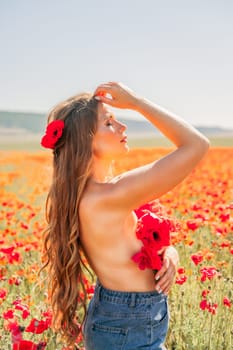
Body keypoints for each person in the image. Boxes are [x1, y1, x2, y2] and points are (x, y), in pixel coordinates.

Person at [40, 82, 210, 349]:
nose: (122, 127)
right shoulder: (104, 197)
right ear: (86, 140)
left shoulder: (96, 193)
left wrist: (169, 253)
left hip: (127, 322)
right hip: (127, 328)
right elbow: (196, 145)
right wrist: (137, 102)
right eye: (109, 123)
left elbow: (126, 246)